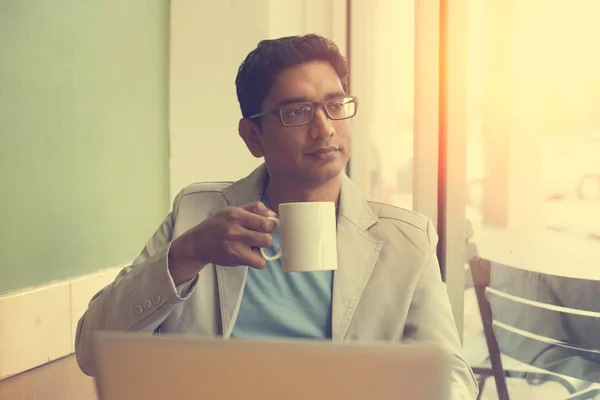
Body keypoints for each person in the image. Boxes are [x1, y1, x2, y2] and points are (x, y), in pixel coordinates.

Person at [75, 34, 477, 399]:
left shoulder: (406, 240)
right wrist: (188, 253)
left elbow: (455, 379)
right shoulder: (197, 215)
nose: (324, 129)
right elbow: (93, 351)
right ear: (253, 137)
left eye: (335, 105)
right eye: (297, 111)